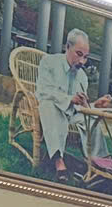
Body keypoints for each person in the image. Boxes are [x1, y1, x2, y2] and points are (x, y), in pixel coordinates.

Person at [35, 27, 94, 181]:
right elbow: (44, 91)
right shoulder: (49, 62)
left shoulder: (82, 76)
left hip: (71, 113)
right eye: (79, 54)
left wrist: (89, 104)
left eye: (85, 57)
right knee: (50, 107)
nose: (82, 62)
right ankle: (59, 162)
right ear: (67, 47)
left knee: (92, 119)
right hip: (50, 110)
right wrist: (69, 99)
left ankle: (98, 163)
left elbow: (80, 106)